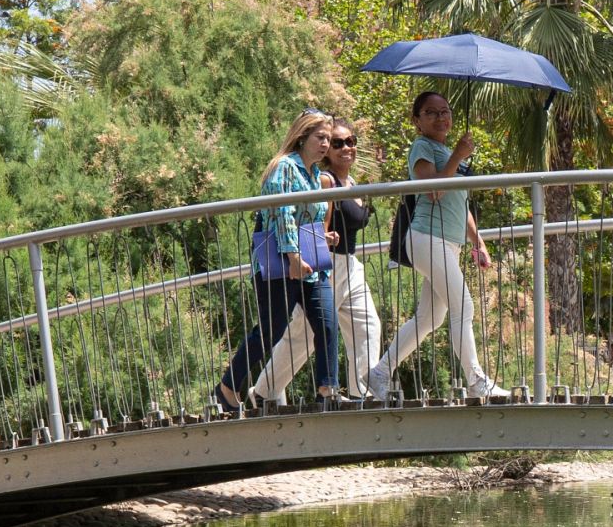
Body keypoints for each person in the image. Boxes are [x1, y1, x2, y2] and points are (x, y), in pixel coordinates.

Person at [366, 92, 508, 401]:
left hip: (447, 243)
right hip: (427, 238)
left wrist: (478, 242)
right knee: (464, 306)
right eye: (431, 113)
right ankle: (476, 380)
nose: (441, 117)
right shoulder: (423, 147)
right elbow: (433, 191)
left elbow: (460, 201)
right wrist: (458, 157)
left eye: (445, 111)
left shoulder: (446, 151)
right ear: (417, 120)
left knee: (430, 319)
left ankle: (379, 372)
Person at [216, 110, 344, 411]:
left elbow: (303, 218)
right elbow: (281, 215)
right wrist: (294, 258)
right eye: (320, 137)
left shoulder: (314, 175)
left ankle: (328, 388)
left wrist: (323, 239)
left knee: (327, 323)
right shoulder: (284, 167)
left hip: (310, 265)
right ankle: (227, 386)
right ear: (302, 136)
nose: (326, 144)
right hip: (282, 264)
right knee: (270, 331)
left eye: (328, 138)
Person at [250, 118, 383, 401]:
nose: (345, 147)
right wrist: (319, 244)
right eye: (336, 143)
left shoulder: (352, 183)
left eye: (351, 141)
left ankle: (363, 390)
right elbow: (314, 220)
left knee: (368, 324)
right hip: (327, 263)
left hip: (350, 264)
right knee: (303, 336)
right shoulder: (324, 180)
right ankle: (263, 391)